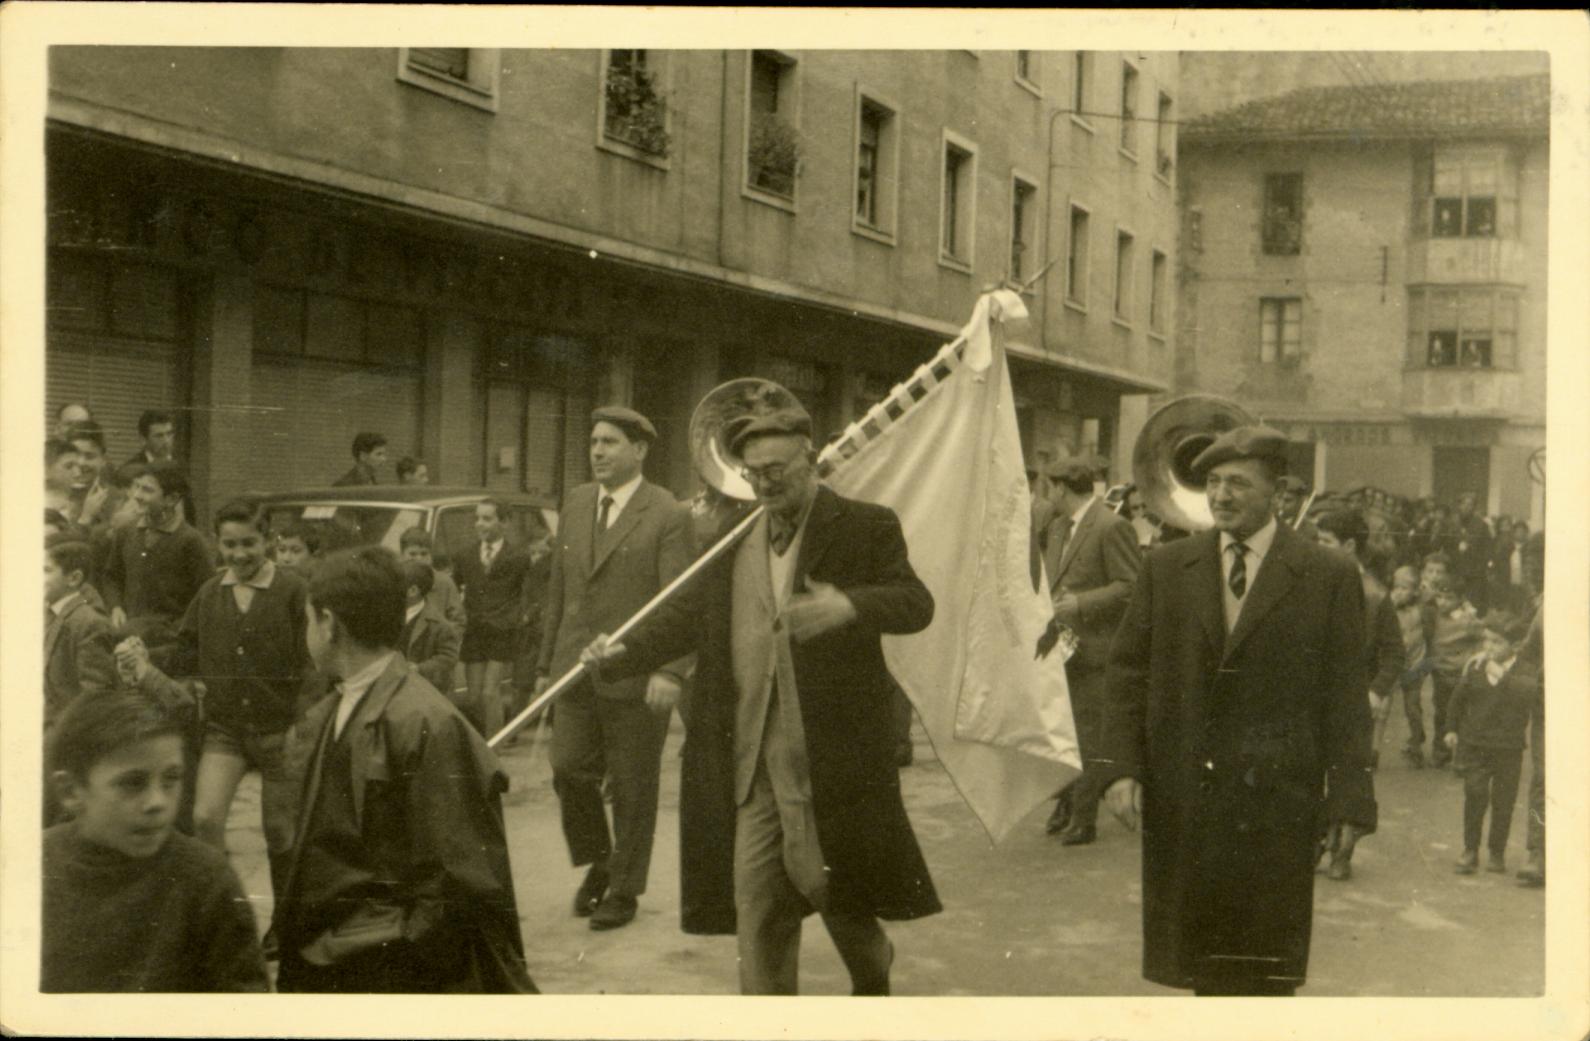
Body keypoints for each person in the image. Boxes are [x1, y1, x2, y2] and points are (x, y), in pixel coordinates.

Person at [582, 404, 939, 995]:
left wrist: (850, 605)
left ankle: (872, 963)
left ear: (810, 458)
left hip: (832, 757)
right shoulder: (730, 541)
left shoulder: (865, 525)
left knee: (832, 888)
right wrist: (622, 650)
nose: (767, 483)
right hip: (752, 758)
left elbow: (915, 602)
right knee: (758, 902)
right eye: (755, 473)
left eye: (778, 468)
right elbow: (685, 618)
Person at [1096, 425, 1375, 997]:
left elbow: (1345, 694)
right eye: (1215, 483)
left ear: (1279, 492)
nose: (1221, 496)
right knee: (1202, 966)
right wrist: (1121, 767)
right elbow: (1128, 672)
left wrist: (1348, 795)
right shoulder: (1168, 567)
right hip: (1187, 797)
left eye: (1239, 485)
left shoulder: (1328, 574)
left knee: (1263, 972)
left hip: (1278, 802)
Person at [271, 546, 536, 993]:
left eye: (308, 620)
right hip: (336, 952)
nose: (305, 632)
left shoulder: (423, 720)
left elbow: (453, 884)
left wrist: (396, 962)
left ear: (329, 624)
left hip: (384, 969)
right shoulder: (336, 706)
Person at [534, 406, 694, 931]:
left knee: (631, 786)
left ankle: (624, 889)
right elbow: (559, 587)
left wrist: (668, 669)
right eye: (594, 441)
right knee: (567, 769)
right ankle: (600, 860)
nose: (598, 451)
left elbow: (679, 602)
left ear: (640, 450)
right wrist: (544, 663)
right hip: (574, 668)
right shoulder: (578, 502)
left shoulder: (667, 513)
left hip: (634, 671)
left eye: (611, 443)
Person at [119, 499, 311, 905]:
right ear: (217, 544)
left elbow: (313, 662)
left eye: (249, 543)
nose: (239, 554)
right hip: (226, 731)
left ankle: (285, 920)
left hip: (280, 730)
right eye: (229, 545)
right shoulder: (210, 593)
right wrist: (145, 656)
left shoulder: (293, 591)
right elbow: (185, 650)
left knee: (280, 831)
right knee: (205, 818)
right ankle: (222, 910)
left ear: (268, 542)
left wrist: (302, 720)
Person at [42, 693, 269, 993]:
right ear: (71, 791)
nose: (157, 802)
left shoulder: (206, 879)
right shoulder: (34, 868)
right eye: (133, 782)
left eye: (171, 779)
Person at [1040, 458, 1141, 844]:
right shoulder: (1057, 527)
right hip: (1060, 649)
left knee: (1088, 735)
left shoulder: (1113, 526)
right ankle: (1066, 803)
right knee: (1058, 732)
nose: (1048, 496)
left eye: (1051, 489)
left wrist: (1080, 604)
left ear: (1062, 489)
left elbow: (1130, 586)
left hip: (1096, 651)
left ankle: (1084, 818)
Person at [1312, 509, 1402, 880]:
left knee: (1350, 778)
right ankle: (1315, 843)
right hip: (1315, 697)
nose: (1318, 549)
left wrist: (1375, 691)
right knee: (1309, 772)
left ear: (1349, 546)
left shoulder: (1377, 596)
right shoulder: (1312, 585)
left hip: (1354, 702)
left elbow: (1394, 653)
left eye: (1326, 543)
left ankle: (1341, 852)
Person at [1446, 609, 1532, 875]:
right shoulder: (1475, 666)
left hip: (1508, 747)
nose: (1490, 648)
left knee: (1504, 802)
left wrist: (1503, 676)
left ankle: (1497, 852)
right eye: (1487, 641)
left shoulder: (1524, 671)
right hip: (1477, 744)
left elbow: (1527, 696)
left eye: (1497, 643)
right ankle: (1470, 849)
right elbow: (1457, 700)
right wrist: (1451, 729)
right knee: (1475, 794)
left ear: (1514, 645)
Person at [101, 463, 215, 652]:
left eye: (147, 490)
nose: (137, 495)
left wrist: (177, 629)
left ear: (171, 499)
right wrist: (115, 607)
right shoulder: (125, 532)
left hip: (167, 642)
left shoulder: (190, 540)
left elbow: (207, 594)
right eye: (137, 487)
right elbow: (111, 576)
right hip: (127, 634)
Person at [453, 499, 533, 738]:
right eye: (477, 518)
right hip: (475, 630)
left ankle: (496, 746)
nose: (480, 524)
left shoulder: (518, 556)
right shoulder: (465, 555)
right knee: (474, 694)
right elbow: (455, 588)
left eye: (487, 518)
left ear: (505, 522)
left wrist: (515, 618)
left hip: (502, 632)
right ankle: (479, 745)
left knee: (490, 692)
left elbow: (526, 595)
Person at [1422, 578, 1484, 769]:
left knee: (1463, 714)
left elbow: (1481, 637)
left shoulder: (1467, 619)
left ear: (1460, 599)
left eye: (1449, 598)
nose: (1443, 602)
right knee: (1441, 713)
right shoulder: (1435, 615)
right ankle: (1441, 752)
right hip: (1441, 673)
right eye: (1440, 597)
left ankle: (1463, 756)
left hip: (1461, 674)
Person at [1515, 532, 1545, 887]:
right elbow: (1528, 652)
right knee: (1545, 775)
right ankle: (1536, 851)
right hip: (1552, 701)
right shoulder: (1547, 607)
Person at [1389, 565, 1431, 768]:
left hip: (1415, 664)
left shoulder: (1421, 607)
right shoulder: (1388, 606)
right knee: (1383, 707)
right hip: (1393, 663)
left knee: (1412, 706)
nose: (1399, 591)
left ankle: (1416, 742)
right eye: (1396, 586)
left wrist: (1422, 587)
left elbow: (1430, 595)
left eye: (1405, 588)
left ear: (1415, 591)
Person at [400, 559, 461, 693]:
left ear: (413, 591)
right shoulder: (391, 616)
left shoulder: (438, 624)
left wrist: (420, 668)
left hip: (427, 690)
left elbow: (449, 657)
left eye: (395, 585)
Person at [399, 527, 466, 631]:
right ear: (402, 555)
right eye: (412, 554)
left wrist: (445, 642)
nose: (419, 559)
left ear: (431, 556)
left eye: (424, 554)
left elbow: (458, 622)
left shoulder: (444, 583)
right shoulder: (394, 581)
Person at [65, 421, 118, 530]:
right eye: (76, 455)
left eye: (89, 456)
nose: (81, 462)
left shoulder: (116, 499)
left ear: (103, 460)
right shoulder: (52, 494)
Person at [1450, 491, 1493, 613]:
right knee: (1454, 603)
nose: (1467, 508)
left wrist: (1482, 564)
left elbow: (1487, 546)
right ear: (1459, 506)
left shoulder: (1481, 525)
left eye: (1470, 505)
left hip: (1474, 571)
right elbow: (1445, 543)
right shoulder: (1451, 523)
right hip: (1455, 568)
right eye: (1464, 504)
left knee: (1473, 604)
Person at [45, 438, 83, 519]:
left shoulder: (72, 501)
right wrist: (86, 518)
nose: (78, 473)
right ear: (46, 471)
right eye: (69, 466)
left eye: (78, 466)